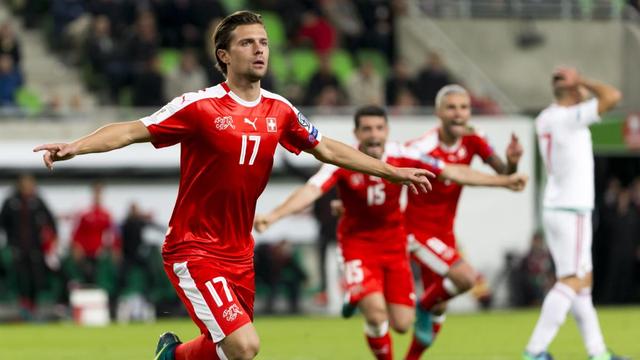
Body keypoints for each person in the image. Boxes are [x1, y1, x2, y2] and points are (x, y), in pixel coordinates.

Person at [33, 11, 433, 360]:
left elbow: (326, 147)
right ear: (224, 56)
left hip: (239, 251)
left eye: (263, 42)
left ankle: (173, 355)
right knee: (245, 345)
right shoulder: (199, 106)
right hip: (194, 246)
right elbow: (132, 131)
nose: (259, 50)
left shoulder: (281, 109)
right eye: (247, 43)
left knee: (228, 350)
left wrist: (390, 171)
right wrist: (75, 147)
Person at [254, 105, 527, 360]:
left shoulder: (402, 155)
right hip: (357, 245)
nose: (374, 135)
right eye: (367, 129)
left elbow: (453, 172)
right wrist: (274, 216)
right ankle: (360, 294)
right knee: (375, 314)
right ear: (356, 133)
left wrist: (503, 181)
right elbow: (311, 191)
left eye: (379, 129)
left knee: (402, 324)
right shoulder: (342, 160)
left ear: (386, 131)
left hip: (395, 244)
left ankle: (356, 293)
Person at [404, 84, 524, 360]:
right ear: (438, 112)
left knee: (439, 311)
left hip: (444, 233)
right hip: (417, 231)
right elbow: (395, 171)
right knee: (465, 278)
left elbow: (504, 172)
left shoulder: (474, 139)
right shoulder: (423, 147)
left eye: (464, 107)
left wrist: (512, 162)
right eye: (451, 108)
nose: (458, 114)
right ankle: (420, 306)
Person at [523, 67, 624, 360]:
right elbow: (613, 96)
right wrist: (583, 82)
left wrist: (573, 88)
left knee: (583, 282)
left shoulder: (545, 117)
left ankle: (598, 352)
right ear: (572, 90)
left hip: (556, 206)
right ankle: (534, 350)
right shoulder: (571, 118)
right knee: (571, 280)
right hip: (573, 208)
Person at [0, 174, 58, 315]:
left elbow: (51, 222)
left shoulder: (38, 201)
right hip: (16, 247)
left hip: (34, 247)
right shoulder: (11, 202)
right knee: (18, 277)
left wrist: (53, 240)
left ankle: (33, 305)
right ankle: (20, 305)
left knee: (36, 276)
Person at [70, 182, 118, 285]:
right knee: (85, 274)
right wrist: (77, 247)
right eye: (96, 193)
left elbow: (112, 233)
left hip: (99, 252)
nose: (97, 196)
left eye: (99, 193)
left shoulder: (106, 215)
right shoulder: (85, 213)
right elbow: (77, 233)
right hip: (85, 252)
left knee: (99, 274)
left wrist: (111, 248)